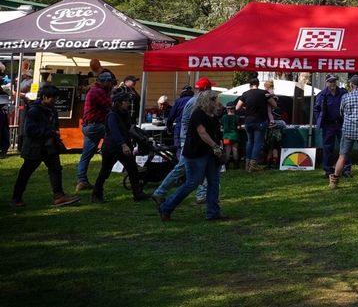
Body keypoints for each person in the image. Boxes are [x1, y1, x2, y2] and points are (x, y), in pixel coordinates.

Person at [157, 90, 226, 221]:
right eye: (214, 99)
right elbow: (202, 132)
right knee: (192, 183)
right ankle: (166, 207)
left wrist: (218, 148)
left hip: (211, 154)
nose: (217, 102)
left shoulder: (212, 115)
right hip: (196, 154)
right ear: (207, 101)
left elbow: (215, 133)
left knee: (214, 182)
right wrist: (215, 146)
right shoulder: (198, 114)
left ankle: (213, 212)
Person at [11, 85, 80, 207]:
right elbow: (30, 130)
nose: (55, 100)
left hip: (49, 146)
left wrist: (55, 132)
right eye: (53, 98)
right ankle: (16, 198)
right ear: (44, 97)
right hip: (35, 147)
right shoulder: (34, 111)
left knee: (56, 169)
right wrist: (50, 131)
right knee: (26, 172)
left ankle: (59, 196)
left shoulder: (51, 109)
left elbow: (55, 125)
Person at [92, 88, 150, 203]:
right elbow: (115, 132)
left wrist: (141, 136)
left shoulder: (125, 114)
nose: (129, 103)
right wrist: (123, 145)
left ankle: (138, 194)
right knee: (105, 171)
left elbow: (129, 128)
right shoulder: (112, 115)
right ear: (119, 102)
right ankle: (96, 194)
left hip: (124, 147)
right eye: (126, 101)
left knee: (133, 169)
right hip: (112, 148)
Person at [76, 70, 117, 193]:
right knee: (118, 139)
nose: (111, 85)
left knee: (86, 154)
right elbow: (111, 105)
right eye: (110, 83)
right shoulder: (98, 92)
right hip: (95, 126)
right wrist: (113, 93)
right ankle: (132, 168)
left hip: (90, 126)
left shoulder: (96, 90)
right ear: (105, 82)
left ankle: (81, 181)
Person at [330, 75, 358, 188]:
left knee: (342, 156)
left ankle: (334, 181)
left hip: (348, 130)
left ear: (351, 85)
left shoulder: (345, 97)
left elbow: (341, 112)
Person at [234, 78, 275, 172]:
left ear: (250, 84)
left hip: (248, 121)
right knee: (257, 143)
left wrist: (246, 108)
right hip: (260, 121)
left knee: (249, 142)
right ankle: (253, 164)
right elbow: (274, 104)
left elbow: (237, 107)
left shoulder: (245, 94)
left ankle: (247, 165)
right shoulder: (264, 93)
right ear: (258, 84)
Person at [313, 75, 348, 177]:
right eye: (330, 81)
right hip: (328, 125)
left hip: (342, 123)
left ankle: (346, 169)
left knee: (345, 147)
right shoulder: (322, 95)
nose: (332, 83)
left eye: (334, 81)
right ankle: (328, 170)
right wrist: (319, 119)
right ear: (326, 83)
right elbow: (316, 109)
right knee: (328, 148)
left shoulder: (343, 93)